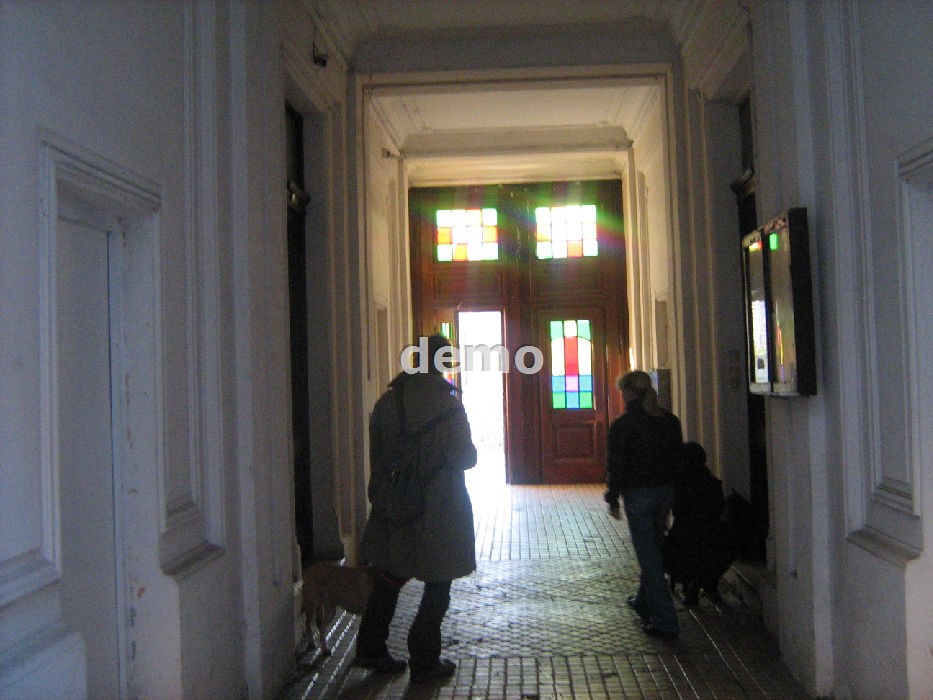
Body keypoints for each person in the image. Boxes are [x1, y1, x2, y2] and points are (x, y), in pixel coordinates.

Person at [355, 333, 478, 684]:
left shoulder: (387, 403)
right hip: (439, 507)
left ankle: (371, 648)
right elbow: (465, 458)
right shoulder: (448, 405)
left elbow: (377, 459)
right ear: (443, 363)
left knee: (390, 577)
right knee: (438, 583)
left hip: (395, 507)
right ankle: (424, 658)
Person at [606, 370, 682, 638]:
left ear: (628, 393)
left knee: (649, 558)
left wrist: (613, 497)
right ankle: (643, 599)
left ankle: (665, 621)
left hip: (638, 495)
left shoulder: (623, 425)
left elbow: (616, 466)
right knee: (654, 548)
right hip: (664, 492)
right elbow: (677, 458)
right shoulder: (670, 421)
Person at [663, 441, 732, 606]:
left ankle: (691, 583)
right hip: (711, 535)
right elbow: (718, 509)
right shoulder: (712, 483)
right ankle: (705, 582)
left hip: (683, 535)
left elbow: (673, 509)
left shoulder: (678, 484)